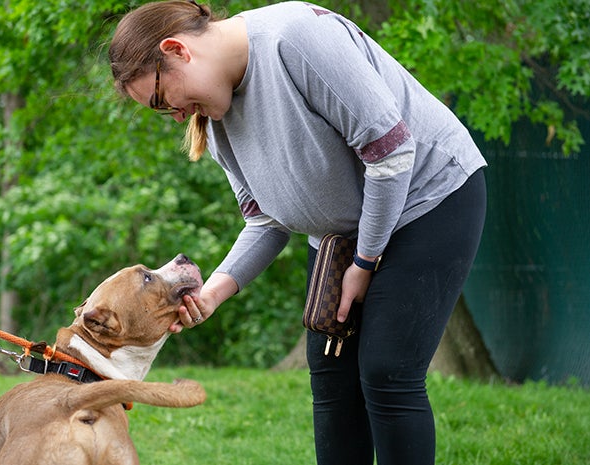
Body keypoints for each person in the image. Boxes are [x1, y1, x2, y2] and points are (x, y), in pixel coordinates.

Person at [109, 1, 487, 464]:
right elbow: (265, 221)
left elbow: (390, 152)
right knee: (330, 375)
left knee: (388, 372)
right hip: (342, 236)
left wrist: (365, 263)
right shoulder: (218, 119)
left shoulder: (295, 38)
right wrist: (212, 294)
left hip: (428, 199)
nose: (174, 115)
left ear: (177, 50)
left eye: (163, 99)